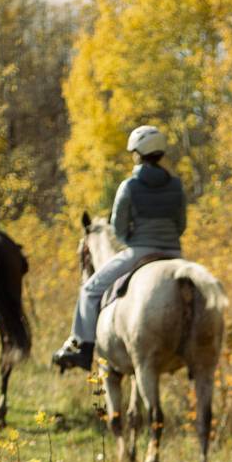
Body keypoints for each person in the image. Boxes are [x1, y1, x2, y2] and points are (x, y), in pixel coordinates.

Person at [53, 125, 186, 372]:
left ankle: (83, 347)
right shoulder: (176, 185)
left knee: (91, 290)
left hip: (139, 251)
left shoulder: (130, 186)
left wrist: (132, 239)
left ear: (137, 153)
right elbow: (181, 225)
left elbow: (118, 227)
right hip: (175, 254)